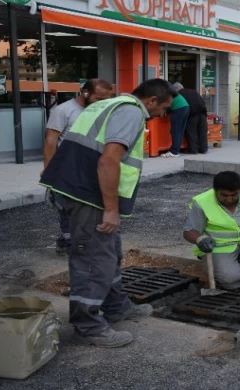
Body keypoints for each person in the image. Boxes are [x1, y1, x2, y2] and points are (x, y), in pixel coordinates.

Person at [40, 79, 176, 347]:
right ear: (151, 101)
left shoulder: (110, 104)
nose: (163, 114)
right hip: (89, 194)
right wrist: (111, 210)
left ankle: (116, 306)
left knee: (109, 251)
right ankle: (88, 325)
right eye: (164, 108)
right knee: (93, 259)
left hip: (81, 187)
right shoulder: (131, 111)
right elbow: (109, 159)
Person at [42, 79, 113, 256]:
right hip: (66, 169)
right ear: (85, 93)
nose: (103, 102)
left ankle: (80, 241)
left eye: (107, 98)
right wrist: (49, 170)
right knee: (66, 208)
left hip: (90, 168)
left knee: (89, 208)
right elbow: (51, 141)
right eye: (99, 97)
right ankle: (68, 243)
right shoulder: (63, 111)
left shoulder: (100, 110)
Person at [176, 83, 209, 154]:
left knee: (191, 133)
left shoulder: (179, 94)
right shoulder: (193, 91)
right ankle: (203, 149)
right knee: (202, 132)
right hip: (202, 114)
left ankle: (193, 150)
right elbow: (203, 102)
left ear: (176, 89)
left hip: (192, 114)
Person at [161, 82, 189, 158]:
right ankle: (176, 149)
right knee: (180, 130)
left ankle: (174, 152)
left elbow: (166, 105)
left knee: (175, 131)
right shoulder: (173, 92)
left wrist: (165, 112)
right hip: (185, 107)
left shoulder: (166, 93)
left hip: (178, 108)